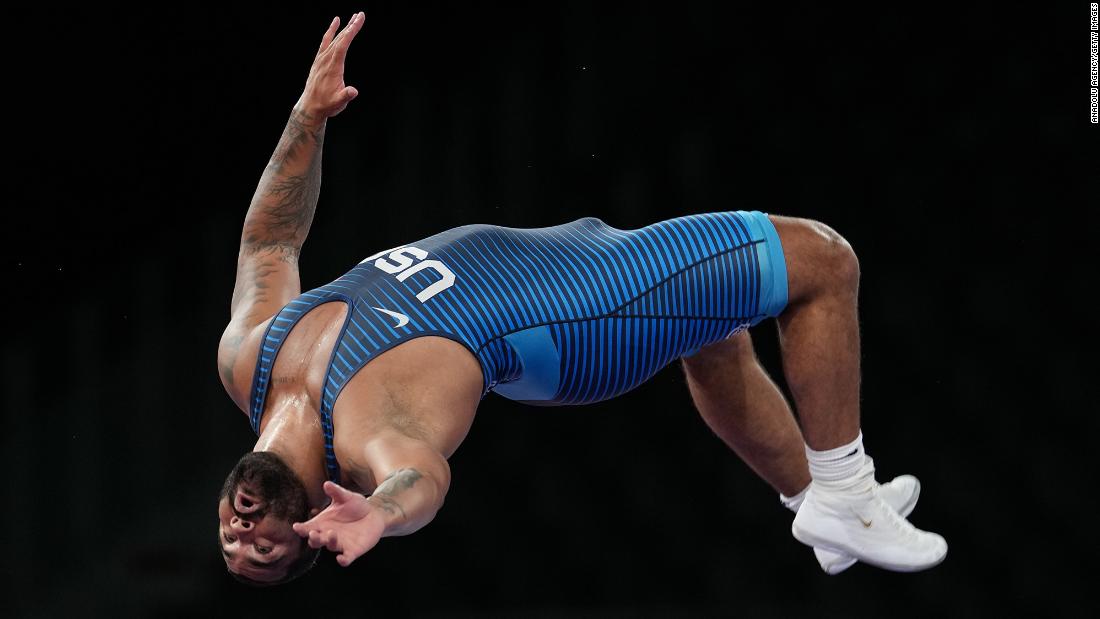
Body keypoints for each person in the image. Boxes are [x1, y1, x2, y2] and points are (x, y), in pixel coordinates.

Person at [215, 12, 947, 585]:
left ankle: (810, 505)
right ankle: (846, 492)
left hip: (556, 259)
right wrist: (379, 513)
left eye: (232, 543)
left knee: (714, 332)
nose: (241, 537)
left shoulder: (248, 361)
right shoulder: (373, 440)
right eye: (266, 554)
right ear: (314, 519)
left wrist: (305, 122)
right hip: (582, 318)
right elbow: (422, 480)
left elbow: (269, 245)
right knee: (821, 260)